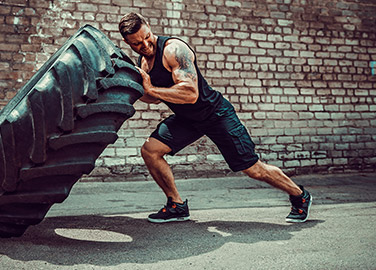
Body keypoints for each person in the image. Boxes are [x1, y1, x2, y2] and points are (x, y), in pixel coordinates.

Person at [118, 12, 312, 223]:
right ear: (127, 42)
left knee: (252, 168)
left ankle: (299, 196)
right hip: (188, 119)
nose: (145, 45)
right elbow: (154, 98)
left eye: (147, 37)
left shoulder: (174, 50)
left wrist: (152, 89)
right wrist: (136, 88)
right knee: (151, 151)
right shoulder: (145, 63)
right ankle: (176, 205)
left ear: (149, 26)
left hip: (216, 114)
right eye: (137, 44)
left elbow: (190, 94)